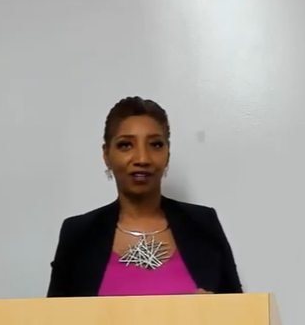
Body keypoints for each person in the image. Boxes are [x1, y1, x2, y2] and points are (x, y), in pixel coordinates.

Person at [47, 96, 242, 297]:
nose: (142, 158)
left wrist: (214, 312)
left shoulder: (203, 225)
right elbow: (52, 322)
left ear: (168, 154)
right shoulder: (79, 235)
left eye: (155, 145)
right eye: (126, 145)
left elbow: (244, 316)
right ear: (106, 155)